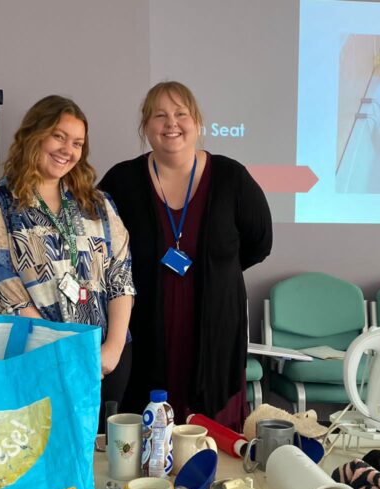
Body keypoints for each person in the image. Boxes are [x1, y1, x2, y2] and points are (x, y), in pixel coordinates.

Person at [99, 81, 272, 427]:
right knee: (149, 438)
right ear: (146, 127)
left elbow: (260, 242)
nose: (171, 123)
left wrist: (216, 272)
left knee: (213, 442)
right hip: (145, 331)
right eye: (159, 115)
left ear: (197, 122)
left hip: (215, 333)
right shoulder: (122, 181)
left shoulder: (230, 177)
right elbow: (98, 250)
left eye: (181, 114)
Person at [0, 95, 135, 430]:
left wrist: (112, 348)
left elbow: (121, 275)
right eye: (59, 136)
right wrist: (65, 352)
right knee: (46, 460)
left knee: (100, 462)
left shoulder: (98, 204)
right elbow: (5, 292)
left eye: (77, 143)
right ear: (34, 135)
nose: (67, 150)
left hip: (108, 359)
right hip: (39, 357)